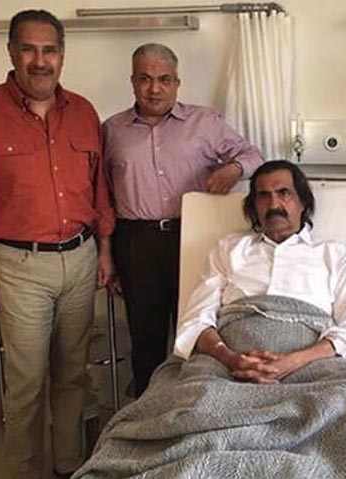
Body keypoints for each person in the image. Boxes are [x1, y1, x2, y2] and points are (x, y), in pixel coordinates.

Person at [0, 9, 115, 479]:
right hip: (18, 265)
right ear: (11, 53)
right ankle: (24, 471)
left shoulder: (83, 112)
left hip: (80, 258)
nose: (40, 61)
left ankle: (68, 466)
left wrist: (104, 250)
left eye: (49, 50)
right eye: (29, 49)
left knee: (73, 374)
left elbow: (98, 189)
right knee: (26, 383)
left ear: (62, 55)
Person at [104, 43, 263, 398]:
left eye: (164, 79)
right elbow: (104, 197)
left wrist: (233, 169)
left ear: (177, 83)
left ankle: (193, 406)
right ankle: (147, 410)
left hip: (193, 238)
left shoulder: (204, 122)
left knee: (197, 331)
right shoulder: (112, 131)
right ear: (132, 82)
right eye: (145, 79)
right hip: (136, 242)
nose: (154, 89)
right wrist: (109, 255)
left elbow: (253, 155)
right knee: (144, 336)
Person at [174, 160, 346, 382]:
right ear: (254, 206)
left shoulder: (336, 255)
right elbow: (197, 320)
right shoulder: (228, 250)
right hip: (230, 365)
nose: (273, 204)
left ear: (303, 202)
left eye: (283, 193)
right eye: (263, 196)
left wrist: (294, 361)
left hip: (313, 365)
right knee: (181, 398)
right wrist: (230, 358)